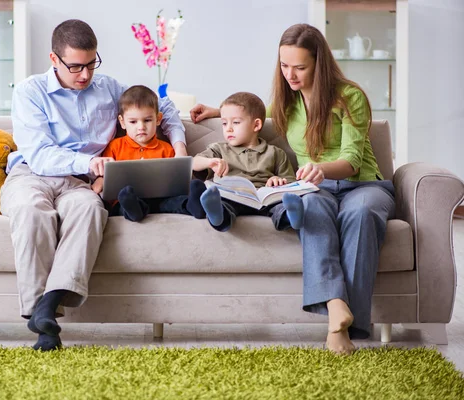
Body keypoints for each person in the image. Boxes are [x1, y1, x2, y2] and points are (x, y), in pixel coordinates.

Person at [190, 24, 395, 355]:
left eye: (300, 67)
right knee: (311, 209)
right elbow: (258, 113)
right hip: (315, 187)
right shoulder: (288, 101)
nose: (290, 74)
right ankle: (335, 306)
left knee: (361, 213)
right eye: (285, 66)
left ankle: (347, 326)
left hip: (362, 183)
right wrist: (217, 111)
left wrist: (320, 168)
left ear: (319, 63)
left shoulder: (349, 97)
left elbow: (353, 160)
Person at [0, 19, 187, 351]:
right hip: (32, 175)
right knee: (32, 211)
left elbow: (164, 106)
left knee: (89, 210)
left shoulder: (108, 87)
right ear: (54, 59)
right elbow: (41, 154)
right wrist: (89, 162)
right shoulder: (31, 91)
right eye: (75, 67)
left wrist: (180, 146)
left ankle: (47, 310)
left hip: (81, 185)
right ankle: (41, 318)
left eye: (91, 64)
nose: (85, 75)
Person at [91, 85, 206, 221]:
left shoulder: (167, 149)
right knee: (124, 203)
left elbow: (177, 179)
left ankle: (193, 205)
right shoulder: (115, 147)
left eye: (147, 120)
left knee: (176, 201)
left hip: (161, 199)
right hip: (127, 201)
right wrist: (100, 179)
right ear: (122, 122)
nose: (141, 127)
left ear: (158, 119)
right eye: (133, 122)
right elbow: (104, 173)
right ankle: (134, 210)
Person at [192, 92, 296, 232]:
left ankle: (291, 215)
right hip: (233, 196)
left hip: (265, 198)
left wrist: (278, 180)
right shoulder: (220, 149)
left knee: (280, 205)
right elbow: (193, 163)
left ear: (256, 125)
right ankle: (217, 216)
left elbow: (291, 183)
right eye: (224, 123)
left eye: (235, 122)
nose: (228, 128)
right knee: (224, 203)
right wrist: (210, 162)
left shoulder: (275, 153)